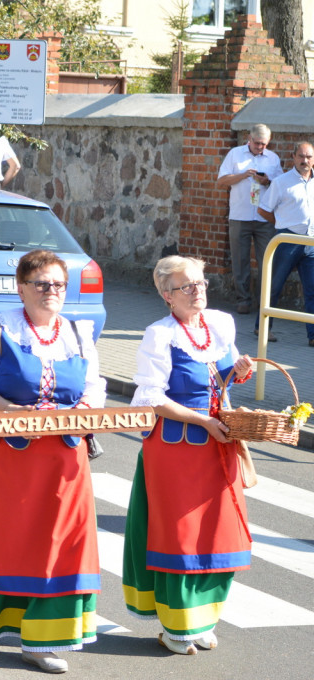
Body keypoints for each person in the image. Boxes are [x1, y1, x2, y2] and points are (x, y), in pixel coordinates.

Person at [0, 249, 104, 674]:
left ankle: (43, 640)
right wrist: (13, 413)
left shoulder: (79, 332)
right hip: (10, 459)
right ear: (21, 289)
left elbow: (95, 388)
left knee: (63, 543)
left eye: (59, 284)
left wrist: (83, 410)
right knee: (5, 539)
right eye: (42, 284)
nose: (52, 291)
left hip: (65, 459)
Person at [124, 255, 254, 656]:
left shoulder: (219, 324)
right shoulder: (159, 335)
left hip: (219, 442)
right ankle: (176, 626)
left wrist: (242, 369)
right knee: (181, 537)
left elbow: (223, 375)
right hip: (176, 448)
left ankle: (201, 620)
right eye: (187, 286)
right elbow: (150, 397)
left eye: (200, 283)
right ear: (167, 296)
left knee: (219, 533)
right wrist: (202, 420)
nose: (198, 290)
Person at [216, 123, 282, 315]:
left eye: (264, 144)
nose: (260, 147)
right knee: (240, 260)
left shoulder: (273, 158)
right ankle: (243, 299)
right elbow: (221, 181)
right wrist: (243, 175)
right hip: (240, 215)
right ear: (249, 138)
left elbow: (280, 186)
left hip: (264, 217)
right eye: (257, 143)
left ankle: (264, 303)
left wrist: (267, 181)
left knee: (267, 261)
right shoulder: (235, 154)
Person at [256, 141, 314, 347]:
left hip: (311, 243)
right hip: (287, 240)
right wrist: (282, 226)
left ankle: (313, 335)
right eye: (301, 156)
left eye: (308, 157)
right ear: (293, 157)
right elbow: (263, 209)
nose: (304, 160)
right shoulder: (282, 182)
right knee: (274, 286)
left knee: (312, 289)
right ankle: (261, 327)